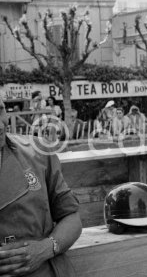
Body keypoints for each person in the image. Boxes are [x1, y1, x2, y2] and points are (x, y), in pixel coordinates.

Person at [0, 97, 82, 276]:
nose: (0, 125)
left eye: (0, 110)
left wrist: (46, 248)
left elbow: (71, 216)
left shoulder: (38, 151)